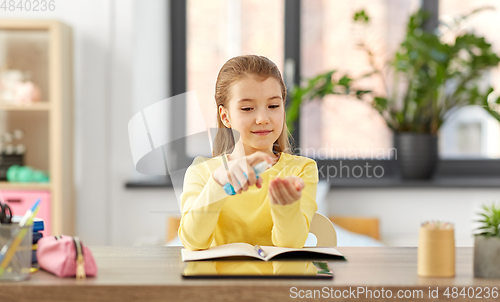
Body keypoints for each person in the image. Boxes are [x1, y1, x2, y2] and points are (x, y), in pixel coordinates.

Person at [178, 55, 319, 251]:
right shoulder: (202, 173)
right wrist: (217, 183)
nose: (262, 118)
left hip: (279, 281)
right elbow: (192, 241)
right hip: (218, 281)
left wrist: (285, 207)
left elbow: (291, 244)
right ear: (225, 117)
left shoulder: (302, 170)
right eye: (247, 108)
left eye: (273, 106)